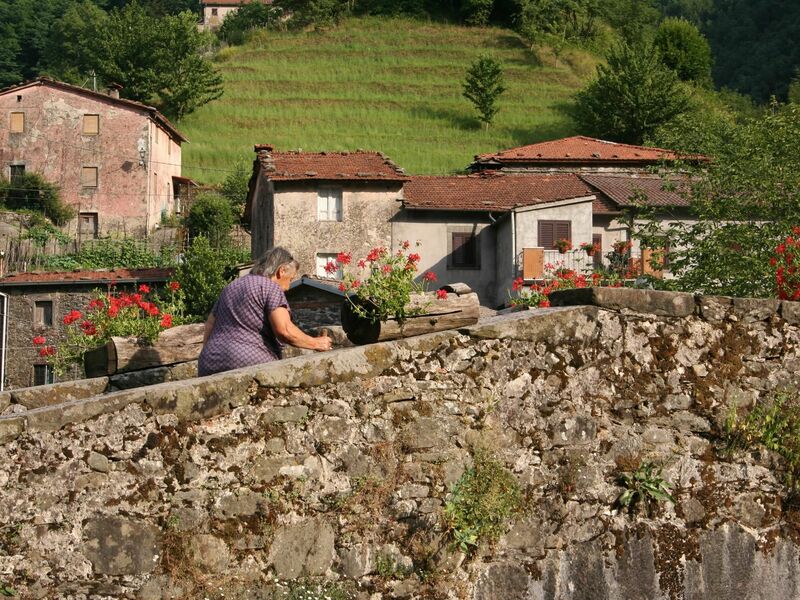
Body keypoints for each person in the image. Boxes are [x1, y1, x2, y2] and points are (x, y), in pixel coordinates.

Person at [198, 246, 332, 376]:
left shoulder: (231, 287)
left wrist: (207, 353)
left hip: (209, 362)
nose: (288, 287)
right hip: (246, 361)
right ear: (281, 271)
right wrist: (316, 343)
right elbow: (284, 331)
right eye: (290, 279)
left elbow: (210, 324)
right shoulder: (270, 287)